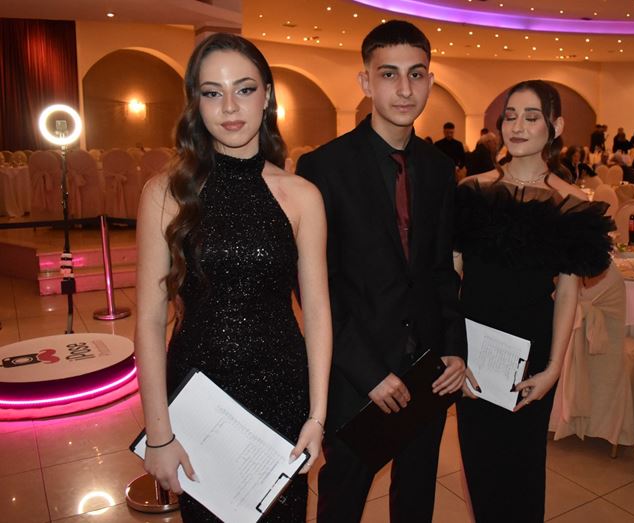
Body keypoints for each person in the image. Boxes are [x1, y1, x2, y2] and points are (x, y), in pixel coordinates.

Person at [135, 33, 332, 522]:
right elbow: (149, 321)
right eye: (212, 92)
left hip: (283, 395)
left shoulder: (302, 195)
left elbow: (318, 314)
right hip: (198, 403)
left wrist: (317, 416)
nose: (229, 106)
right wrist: (158, 434)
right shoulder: (165, 194)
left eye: (244, 89)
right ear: (195, 103)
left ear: (267, 96)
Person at [297, 20, 465, 523]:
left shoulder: (438, 168)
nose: (405, 89)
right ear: (365, 81)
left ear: (430, 81)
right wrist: (368, 373)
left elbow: (441, 270)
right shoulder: (323, 168)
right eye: (389, 74)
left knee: (416, 495)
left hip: (427, 368)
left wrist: (453, 346)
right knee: (343, 498)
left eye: (416, 74)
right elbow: (316, 286)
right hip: (357, 372)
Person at [453, 80, 613, 522]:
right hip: (475, 347)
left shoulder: (572, 202)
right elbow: (450, 276)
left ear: (555, 126)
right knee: (480, 465)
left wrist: (554, 368)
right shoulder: (472, 190)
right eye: (510, 116)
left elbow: (568, 293)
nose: (518, 127)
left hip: (533, 350)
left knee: (523, 469)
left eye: (531, 117)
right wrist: (453, 350)